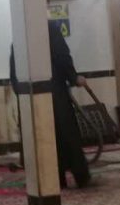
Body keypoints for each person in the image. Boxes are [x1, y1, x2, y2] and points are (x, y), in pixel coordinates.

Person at [10, 20, 91, 188]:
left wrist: (21, 94)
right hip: (55, 92)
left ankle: (56, 180)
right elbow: (62, 56)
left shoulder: (21, 34)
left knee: (43, 139)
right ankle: (81, 176)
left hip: (30, 97)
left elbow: (14, 71)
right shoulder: (49, 29)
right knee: (66, 135)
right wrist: (73, 77)